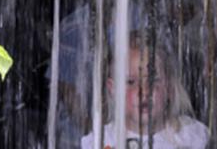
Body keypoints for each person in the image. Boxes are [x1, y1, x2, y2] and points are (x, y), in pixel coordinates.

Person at [80, 32, 209, 149]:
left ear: (169, 87)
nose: (143, 91)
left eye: (152, 80)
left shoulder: (193, 137)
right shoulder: (100, 141)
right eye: (130, 82)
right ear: (113, 89)